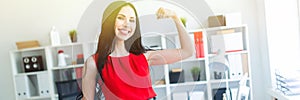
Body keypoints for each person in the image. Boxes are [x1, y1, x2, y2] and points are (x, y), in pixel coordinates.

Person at [81, 1, 194, 100]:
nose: (127, 24)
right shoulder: (93, 62)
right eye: (120, 18)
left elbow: (187, 51)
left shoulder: (144, 57)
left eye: (132, 20)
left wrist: (175, 17)